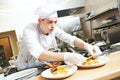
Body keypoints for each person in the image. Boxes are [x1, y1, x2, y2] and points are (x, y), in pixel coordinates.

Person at [15, 6, 102, 71]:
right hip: (24, 69)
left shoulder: (53, 28)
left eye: (55, 22)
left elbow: (70, 39)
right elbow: (39, 54)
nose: (53, 25)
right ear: (40, 21)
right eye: (50, 22)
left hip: (40, 65)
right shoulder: (30, 29)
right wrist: (66, 56)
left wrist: (86, 45)